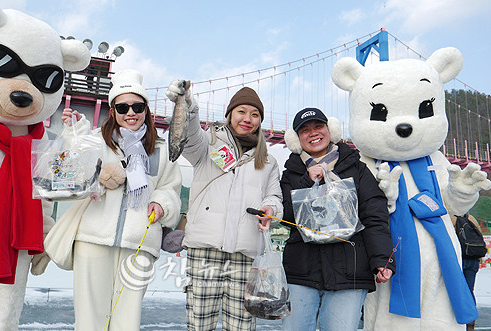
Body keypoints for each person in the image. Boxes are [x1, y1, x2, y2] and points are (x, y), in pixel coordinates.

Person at [54, 69, 182, 330]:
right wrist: (73, 132)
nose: (130, 113)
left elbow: (170, 188)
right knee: (90, 318)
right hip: (93, 237)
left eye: (137, 106)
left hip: (139, 243)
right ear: (112, 111)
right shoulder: (95, 140)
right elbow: (72, 172)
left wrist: (161, 203)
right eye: (122, 107)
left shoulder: (161, 148)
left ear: (146, 109)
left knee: (127, 319)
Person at [165, 82, 283, 330]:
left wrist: (271, 209)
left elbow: (275, 197)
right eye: (241, 111)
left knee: (241, 326)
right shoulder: (207, 144)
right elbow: (189, 131)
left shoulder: (269, 161)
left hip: (246, 255)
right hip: (204, 252)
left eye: (255, 114)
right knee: (200, 325)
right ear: (229, 114)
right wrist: (189, 105)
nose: (247, 119)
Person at [280, 107, 395, 331]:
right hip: (301, 271)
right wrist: (306, 183)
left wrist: (383, 259)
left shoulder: (357, 169)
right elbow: (284, 216)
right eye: (304, 130)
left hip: (349, 270)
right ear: (297, 139)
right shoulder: (291, 174)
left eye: (318, 126)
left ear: (330, 130)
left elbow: (375, 216)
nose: (313, 133)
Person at [451, 213, 486, 331]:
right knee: (469, 290)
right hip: (473, 260)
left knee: (456, 291)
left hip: (459, 260)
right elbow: (479, 236)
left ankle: (457, 320)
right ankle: (470, 322)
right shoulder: (471, 218)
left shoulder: (451, 218)